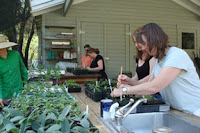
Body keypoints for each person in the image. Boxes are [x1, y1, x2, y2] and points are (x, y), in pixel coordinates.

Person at [111, 23, 200, 116]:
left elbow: (154, 87)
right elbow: (148, 83)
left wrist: (124, 90)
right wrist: (129, 81)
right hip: (178, 112)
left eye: (145, 44)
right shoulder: (158, 60)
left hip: (195, 112)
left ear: (156, 40)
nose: (143, 48)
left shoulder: (176, 55)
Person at [120, 27, 162, 101]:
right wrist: (127, 81)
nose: (136, 45)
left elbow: (151, 79)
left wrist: (130, 86)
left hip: (150, 94)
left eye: (138, 42)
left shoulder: (153, 57)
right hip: (140, 90)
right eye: (135, 42)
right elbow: (137, 75)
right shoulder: (138, 57)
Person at [0, 34, 28, 106]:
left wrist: (26, 85)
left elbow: (23, 70)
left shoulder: (15, 55)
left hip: (18, 92)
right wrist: (0, 96)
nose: (1, 48)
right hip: (4, 95)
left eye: (3, 46)